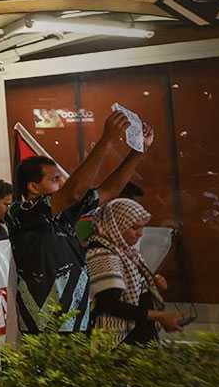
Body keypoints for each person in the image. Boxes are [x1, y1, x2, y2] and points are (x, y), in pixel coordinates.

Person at [10, 110, 152, 334]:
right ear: (33, 187)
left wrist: (137, 151)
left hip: (77, 321)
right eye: (55, 179)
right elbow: (75, 192)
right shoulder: (22, 213)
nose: (62, 183)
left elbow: (108, 190)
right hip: (44, 326)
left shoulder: (64, 214)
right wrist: (106, 140)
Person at [87, 198, 181, 346]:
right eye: (135, 228)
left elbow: (133, 293)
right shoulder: (103, 254)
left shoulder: (127, 252)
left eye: (142, 228)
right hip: (118, 340)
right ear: (116, 226)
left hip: (136, 336)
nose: (140, 234)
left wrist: (155, 287)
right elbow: (109, 304)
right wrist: (160, 316)